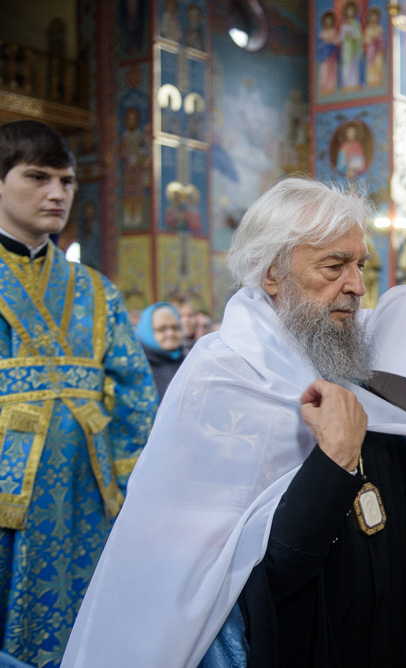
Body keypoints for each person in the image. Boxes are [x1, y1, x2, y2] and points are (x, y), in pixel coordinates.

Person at [63, 177, 406, 667]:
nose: (355, 285)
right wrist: (333, 463)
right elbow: (250, 584)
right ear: (272, 274)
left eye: (360, 266)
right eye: (334, 265)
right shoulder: (224, 379)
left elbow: (403, 531)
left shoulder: (356, 368)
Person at [0, 120, 157, 668]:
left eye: (66, 181)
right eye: (37, 177)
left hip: (87, 492)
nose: (56, 193)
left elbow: (137, 392)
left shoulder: (93, 288)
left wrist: (127, 484)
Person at [136, 302, 185, 400]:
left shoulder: (188, 361)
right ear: (147, 331)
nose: (170, 333)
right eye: (162, 329)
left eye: (175, 328)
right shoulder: (139, 366)